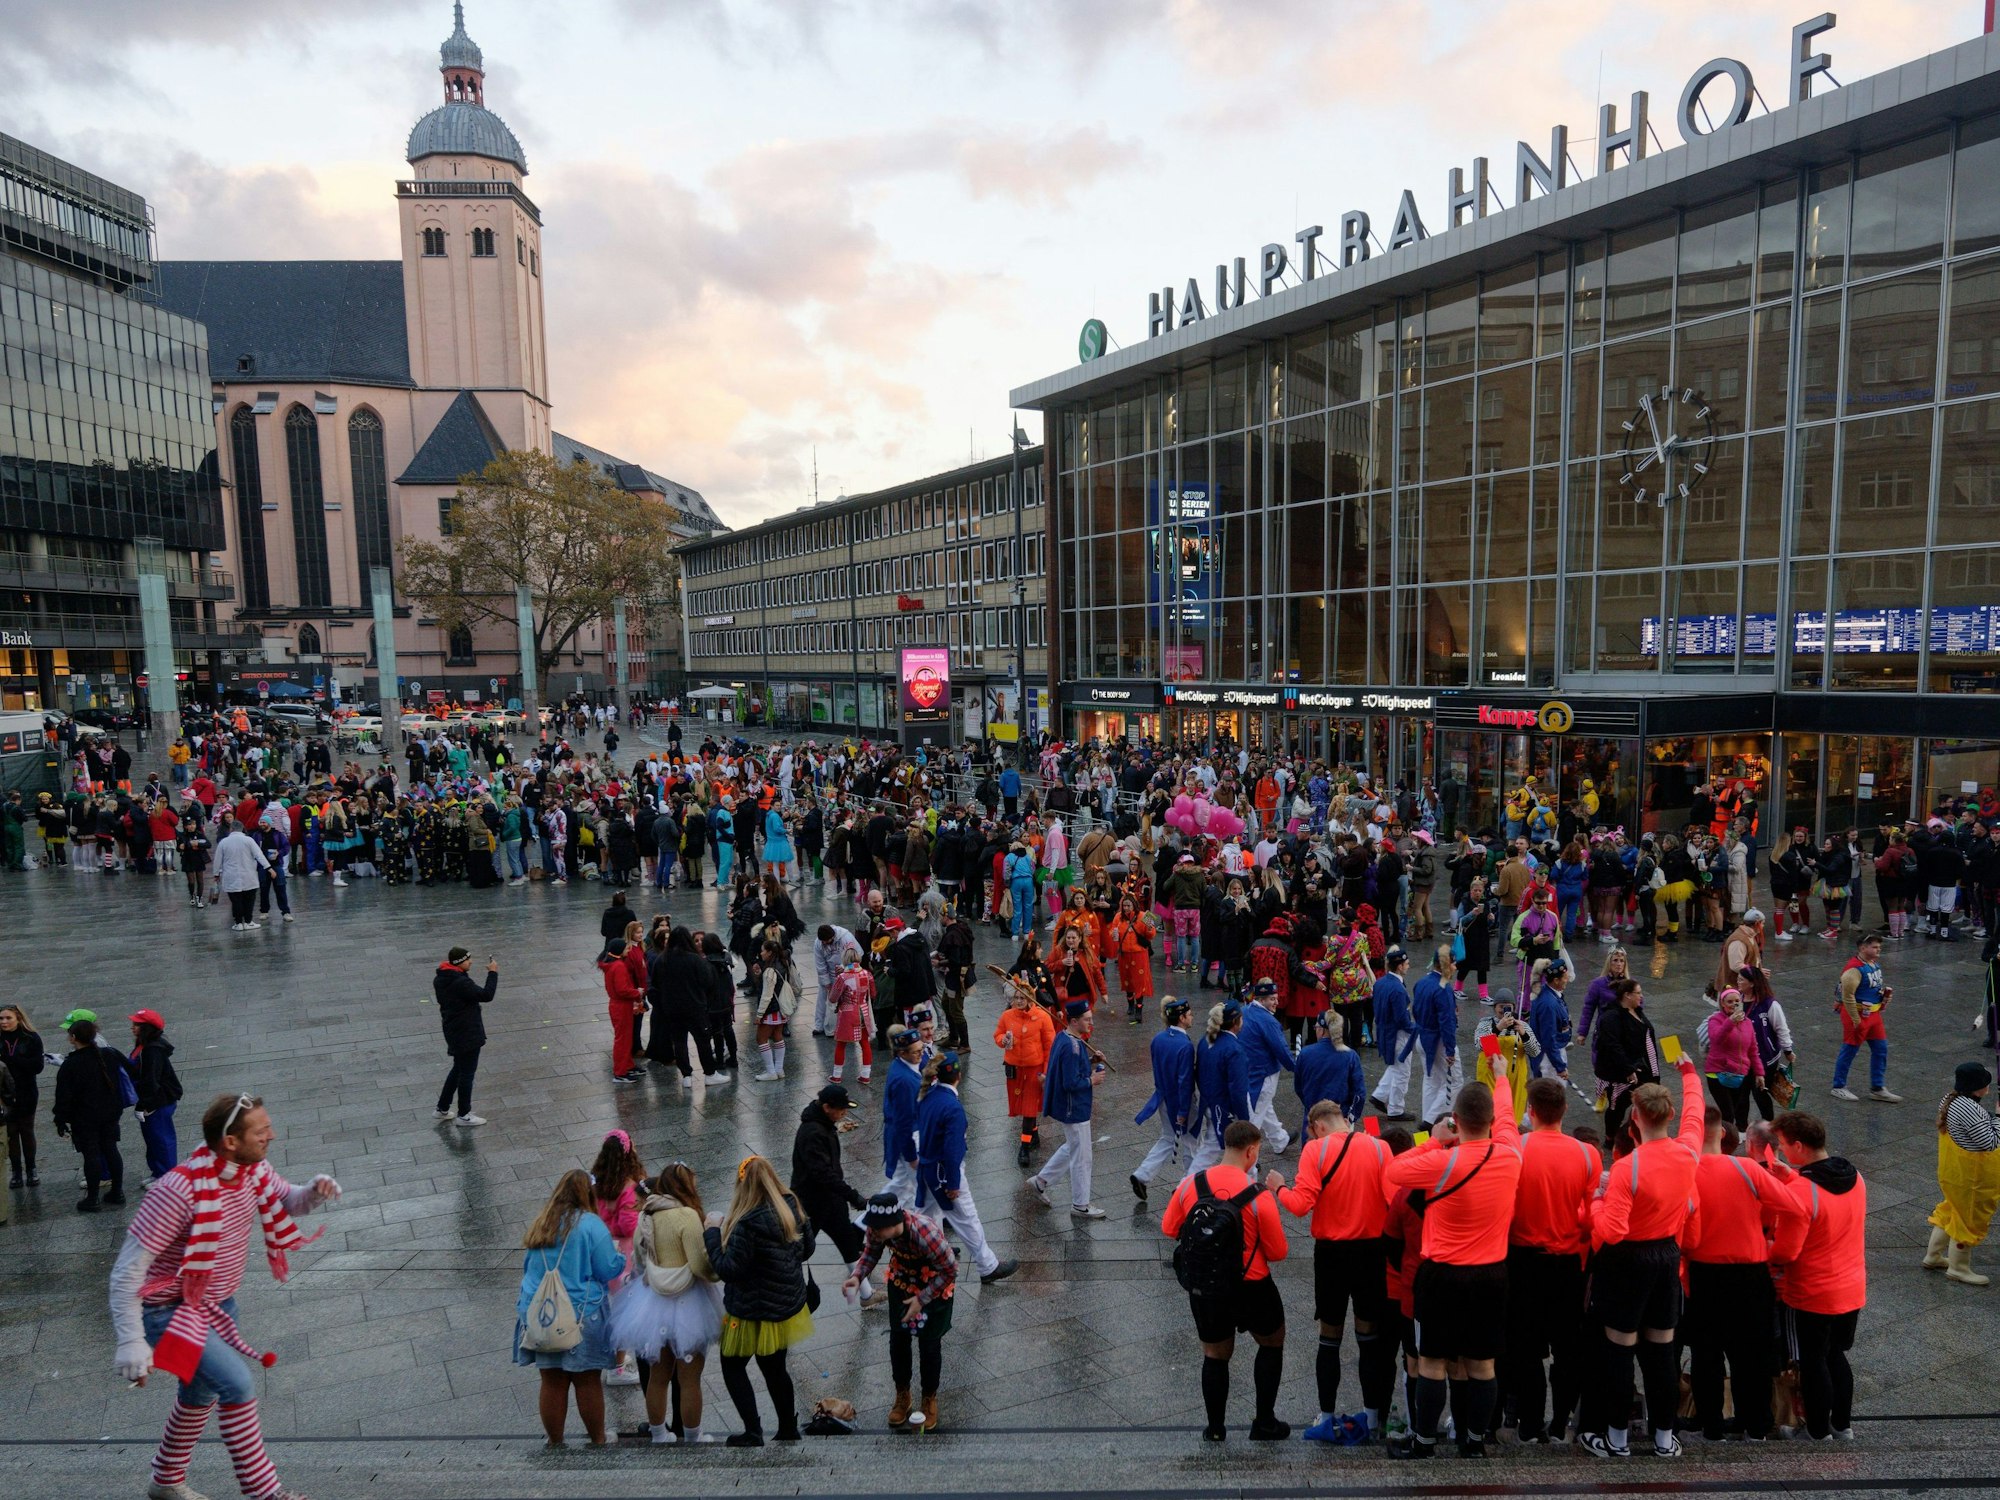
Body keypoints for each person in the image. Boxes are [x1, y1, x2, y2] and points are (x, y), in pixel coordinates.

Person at [109, 1093, 339, 1500]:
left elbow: (289, 1200)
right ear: (230, 1141)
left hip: (215, 1306)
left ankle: (165, 1481)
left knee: (200, 1393)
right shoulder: (177, 1190)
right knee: (236, 1383)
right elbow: (128, 1271)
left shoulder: (252, 1170)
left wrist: (315, 1191)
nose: (272, 1134)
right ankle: (265, 1493)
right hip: (165, 1311)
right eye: (261, 1130)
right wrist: (131, 1339)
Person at [1382, 1075, 1523, 1460]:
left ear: (1456, 1120)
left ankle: (1424, 1442)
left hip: (1441, 1274)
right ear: (1491, 1122)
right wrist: (1500, 1078)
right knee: (1482, 1365)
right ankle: (1474, 1441)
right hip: (1491, 1274)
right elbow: (1509, 1121)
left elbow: (1392, 1172)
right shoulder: (1511, 1155)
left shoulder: (1443, 1161)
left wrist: (1436, 1139)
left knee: (1431, 1362)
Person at [1576, 1053, 1704, 1459]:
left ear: (1635, 1123)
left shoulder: (1627, 1169)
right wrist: (1688, 1072)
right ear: (1669, 1116)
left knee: (1619, 1349)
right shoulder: (1688, 1153)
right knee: (1661, 1352)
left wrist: (1596, 1202)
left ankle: (1616, 1439)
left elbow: (1611, 1231)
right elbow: (1697, 1115)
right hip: (1666, 1257)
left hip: (1627, 1263)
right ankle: (1665, 1438)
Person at [1161, 1119, 1291, 1442]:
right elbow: (1277, 1252)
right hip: (1253, 1285)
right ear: (1251, 1151)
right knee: (1272, 1342)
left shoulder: (1191, 1184)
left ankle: (1216, 1428)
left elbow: (1168, 1227)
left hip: (1207, 1287)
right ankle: (1264, 1422)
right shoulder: (1259, 1196)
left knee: (1215, 1355)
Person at [1274, 1099, 1396, 1441]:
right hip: (1372, 1252)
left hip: (1331, 1255)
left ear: (1317, 1127)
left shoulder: (1315, 1152)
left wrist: (1279, 1187)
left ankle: (1326, 1414)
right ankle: (1372, 1416)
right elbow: (1392, 1200)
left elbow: (1300, 1206)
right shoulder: (1380, 1147)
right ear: (1343, 1118)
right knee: (1368, 1337)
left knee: (1330, 1337)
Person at [1682, 1108, 1801, 1442]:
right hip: (1751, 1275)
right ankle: (1757, 1426)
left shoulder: (1685, 1171)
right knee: (1752, 1355)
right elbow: (1795, 1207)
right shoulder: (1747, 1168)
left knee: (1707, 1356)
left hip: (1703, 1275)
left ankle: (1712, 1427)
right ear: (1722, 1133)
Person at [1502, 1077, 1599, 1445]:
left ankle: (1529, 1425)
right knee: (1566, 1348)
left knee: (1525, 1348)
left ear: (1530, 1111)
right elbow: (1591, 1216)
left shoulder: (1517, 1149)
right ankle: (1560, 1423)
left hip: (1523, 1260)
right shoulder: (1587, 1154)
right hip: (1568, 1263)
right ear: (1564, 1111)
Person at [1761, 1111, 1868, 1440]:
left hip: (1814, 1292)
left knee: (1813, 1360)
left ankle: (1818, 1431)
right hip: (1852, 1288)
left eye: (1781, 1145)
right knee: (1837, 1355)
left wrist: (1759, 1243)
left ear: (1797, 1145)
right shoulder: (1854, 1176)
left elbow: (1785, 1253)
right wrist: (1791, 1178)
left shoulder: (1802, 1194)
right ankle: (1842, 1426)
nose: (1780, 1151)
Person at [608, 1160, 724, 1444]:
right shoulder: (686, 1216)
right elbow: (699, 1265)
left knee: (657, 1377)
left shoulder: (647, 1216)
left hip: (652, 1303)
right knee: (689, 1378)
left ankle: (659, 1434)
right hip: (688, 1304)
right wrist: (717, 1268)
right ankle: (693, 1437)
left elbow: (638, 1261)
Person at [703, 1155, 815, 1447]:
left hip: (750, 1310)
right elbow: (807, 1250)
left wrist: (712, 1233)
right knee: (776, 1368)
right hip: (784, 1307)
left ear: (742, 1186)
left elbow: (727, 1269)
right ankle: (788, 1427)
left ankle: (753, 1431)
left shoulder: (746, 1223)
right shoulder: (792, 1206)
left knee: (732, 1366)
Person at [513, 1168, 625, 1447]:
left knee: (552, 1381)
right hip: (580, 1315)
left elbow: (529, 1268)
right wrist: (621, 1258)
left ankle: (555, 1440)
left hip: (540, 1314)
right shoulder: (590, 1224)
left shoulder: (542, 1222)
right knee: (587, 1380)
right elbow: (607, 1267)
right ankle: (598, 1439)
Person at [848, 1191, 960, 1431]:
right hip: (901, 1281)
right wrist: (858, 1277)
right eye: (873, 1228)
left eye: (878, 1229)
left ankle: (929, 1398)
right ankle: (903, 1394)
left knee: (929, 1344)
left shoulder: (924, 1233)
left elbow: (950, 1269)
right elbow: (871, 1251)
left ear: (894, 1222)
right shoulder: (877, 1229)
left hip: (934, 1285)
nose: (874, 1232)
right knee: (898, 1340)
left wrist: (923, 1298)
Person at [916, 1051, 1018, 1284]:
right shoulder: (952, 1107)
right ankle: (987, 1265)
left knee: (925, 1217)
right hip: (945, 1174)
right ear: (959, 1076)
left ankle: (923, 1256)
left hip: (929, 1171)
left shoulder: (927, 1096)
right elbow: (952, 1150)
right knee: (967, 1219)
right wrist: (952, 1183)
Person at [791, 1082, 878, 1306]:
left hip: (831, 1200)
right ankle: (782, 1289)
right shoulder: (812, 1132)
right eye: (841, 1109)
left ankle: (867, 1295)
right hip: (812, 1203)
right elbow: (823, 1174)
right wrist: (853, 1196)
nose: (844, 1113)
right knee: (797, 1251)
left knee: (848, 1244)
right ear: (827, 1107)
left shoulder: (824, 1123)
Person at [1028, 999, 1107, 1219]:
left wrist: (1091, 1060)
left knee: (1073, 1146)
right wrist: (1093, 1080)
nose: (1091, 1023)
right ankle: (1080, 1205)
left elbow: (1068, 1068)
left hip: (1069, 1108)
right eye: (1087, 1019)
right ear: (1074, 1020)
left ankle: (1041, 1181)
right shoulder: (1072, 1047)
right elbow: (1071, 1083)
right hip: (1075, 1109)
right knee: (1082, 1156)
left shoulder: (1065, 1037)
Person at [1925, 1060, 2000, 1287]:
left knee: (1951, 1211)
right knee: (1968, 1218)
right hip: (1972, 1177)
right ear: (1980, 1088)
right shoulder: (1971, 1108)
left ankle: (1933, 1256)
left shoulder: (1950, 1100)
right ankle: (1959, 1268)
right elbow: (1991, 1142)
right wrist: (1998, 1117)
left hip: (1953, 1174)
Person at [53, 1017, 130, 1211]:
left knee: (91, 1154)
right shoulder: (109, 1054)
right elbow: (132, 1071)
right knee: (111, 1149)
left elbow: (63, 1097)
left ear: (73, 1038)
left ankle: (93, 1198)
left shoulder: (70, 1064)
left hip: (84, 1117)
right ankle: (118, 1192)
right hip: (110, 1112)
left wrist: (60, 1120)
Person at [1132, 997, 1198, 1199]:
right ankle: (1188, 1185)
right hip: (1179, 1102)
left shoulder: (1158, 1039)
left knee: (1168, 1137)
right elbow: (1185, 1081)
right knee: (1191, 1142)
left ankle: (1142, 1175)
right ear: (1182, 1017)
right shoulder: (1185, 1045)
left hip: (1162, 1098)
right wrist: (1183, 1111)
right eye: (1189, 1014)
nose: (1192, 1017)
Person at [648, 926, 727, 1089]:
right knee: (703, 1041)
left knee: (679, 1042)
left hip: (672, 1009)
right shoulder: (695, 959)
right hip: (695, 1007)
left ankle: (686, 1075)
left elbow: (655, 985)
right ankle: (710, 1074)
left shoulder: (661, 960)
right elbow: (708, 982)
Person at [1831, 931, 1901, 1103]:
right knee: (1850, 1050)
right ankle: (1838, 1086)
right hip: (1858, 1014)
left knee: (1881, 1049)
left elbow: (1873, 987)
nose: (1878, 950)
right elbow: (1848, 997)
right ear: (1863, 948)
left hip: (1873, 1015)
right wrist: (1856, 1020)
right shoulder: (1854, 970)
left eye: (1879, 947)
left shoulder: (1873, 964)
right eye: (1874, 947)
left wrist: (1884, 996)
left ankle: (1877, 1087)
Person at [994, 974, 1055, 1168]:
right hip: (1014, 1069)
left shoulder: (1043, 1017)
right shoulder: (1007, 1016)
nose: (1018, 1001)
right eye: (1016, 998)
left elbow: (1049, 1046)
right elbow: (998, 1034)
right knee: (1021, 1106)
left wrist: (1046, 1071)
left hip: (1034, 1070)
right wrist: (1002, 1040)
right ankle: (1033, 1133)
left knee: (1028, 1108)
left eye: (1022, 998)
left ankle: (1024, 1147)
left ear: (1030, 999)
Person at [433, 946, 498, 1126]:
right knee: (467, 1073)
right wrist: (493, 973)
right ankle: (464, 1114)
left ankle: (442, 1108)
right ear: (459, 962)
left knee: (458, 1069)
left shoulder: (442, 978)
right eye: (468, 959)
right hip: (466, 1032)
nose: (471, 962)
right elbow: (486, 995)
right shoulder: (460, 982)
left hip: (454, 1030)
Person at [1190, 1002, 1254, 1176]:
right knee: (1216, 1146)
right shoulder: (1234, 1049)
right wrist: (1244, 1118)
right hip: (1226, 1106)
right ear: (1236, 1022)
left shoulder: (1206, 1040)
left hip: (1210, 1101)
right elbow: (1238, 1089)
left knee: (1214, 1144)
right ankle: (1187, 1184)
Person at [127, 1009, 185, 1182]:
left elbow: (151, 1081)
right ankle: (158, 1172)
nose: (133, 1028)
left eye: (137, 1025)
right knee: (152, 1139)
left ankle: (166, 1175)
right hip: (153, 1101)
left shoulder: (152, 1050)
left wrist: (145, 1105)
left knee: (161, 1139)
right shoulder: (144, 1046)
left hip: (158, 1102)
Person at [1240, 978, 1295, 1156]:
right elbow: (1282, 1050)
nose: (1276, 1002)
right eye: (1272, 999)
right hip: (1264, 1073)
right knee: (1256, 1114)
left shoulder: (1245, 1012)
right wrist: (1297, 1068)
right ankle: (1248, 1160)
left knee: (1264, 1106)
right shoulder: (1268, 1021)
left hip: (1248, 1070)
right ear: (1261, 999)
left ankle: (1280, 1139)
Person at [1411, 944, 1461, 1130]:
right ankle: (1432, 1121)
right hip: (1439, 1040)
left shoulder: (1421, 982)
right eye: (1454, 964)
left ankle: (1427, 1117)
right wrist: (1450, 1049)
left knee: (1431, 1080)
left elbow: (1416, 1010)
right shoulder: (1443, 988)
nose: (1456, 968)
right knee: (1454, 1081)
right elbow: (1447, 1022)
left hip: (1422, 1037)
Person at [1294, 1011, 1365, 1129]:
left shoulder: (1305, 1053)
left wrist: (1310, 1106)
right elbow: (1359, 1093)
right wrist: (1351, 1117)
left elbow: (1299, 1087)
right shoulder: (1350, 1055)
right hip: (1340, 1119)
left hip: (1313, 1117)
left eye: (1316, 1027)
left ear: (1321, 1030)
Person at [1370, 947, 1417, 1118]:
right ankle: (1396, 1110)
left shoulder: (1381, 983)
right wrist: (1417, 1028)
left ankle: (1379, 1095)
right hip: (1398, 1035)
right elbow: (1403, 1021)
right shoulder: (1397, 989)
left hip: (1384, 1032)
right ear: (1399, 967)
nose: (1408, 966)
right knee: (1402, 1072)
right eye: (1406, 964)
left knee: (1395, 1067)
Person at [2, 1004, 45, 1188]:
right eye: (1, 1018)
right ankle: (16, 1171)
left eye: (8, 1018)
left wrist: (11, 1060)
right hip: (3, 1093)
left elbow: (38, 1066)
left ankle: (31, 1168)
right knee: (10, 1132)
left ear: (18, 1018)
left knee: (26, 1130)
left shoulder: (31, 1038)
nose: (4, 1022)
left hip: (26, 1090)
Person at [826, 947, 876, 1085]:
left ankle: (836, 1076)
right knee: (865, 1043)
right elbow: (873, 994)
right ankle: (865, 1075)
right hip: (863, 1011)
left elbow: (833, 998)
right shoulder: (867, 974)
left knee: (841, 1044)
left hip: (847, 1013)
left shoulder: (842, 977)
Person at [213, 817, 271, 931]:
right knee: (249, 899)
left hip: (231, 875)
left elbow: (217, 860)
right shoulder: (249, 840)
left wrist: (216, 874)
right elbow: (259, 855)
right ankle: (248, 921)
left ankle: (238, 922)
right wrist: (268, 867)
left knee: (236, 900)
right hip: (248, 874)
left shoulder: (223, 842)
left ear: (231, 829)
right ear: (242, 829)